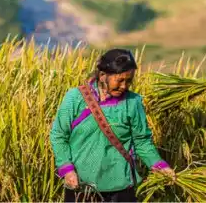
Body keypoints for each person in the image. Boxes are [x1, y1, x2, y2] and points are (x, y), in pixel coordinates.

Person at [50, 48, 175, 202]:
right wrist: (67, 169)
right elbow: (59, 135)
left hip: (121, 189)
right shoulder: (75, 98)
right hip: (82, 187)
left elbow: (142, 141)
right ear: (103, 75)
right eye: (120, 80)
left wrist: (160, 166)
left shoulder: (133, 102)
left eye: (129, 81)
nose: (124, 86)